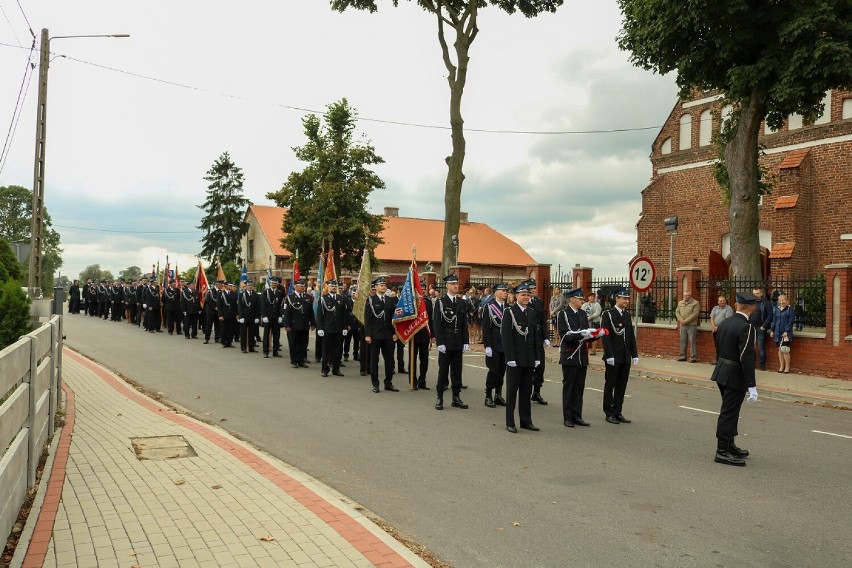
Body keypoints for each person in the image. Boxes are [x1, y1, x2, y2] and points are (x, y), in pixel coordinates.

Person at [711, 292, 759, 467]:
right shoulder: (746, 327)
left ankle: (730, 445)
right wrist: (752, 385)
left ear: (737, 305)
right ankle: (722, 450)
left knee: (731, 410)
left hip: (722, 370)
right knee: (729, 412)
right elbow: (747, 357)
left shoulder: (725, 322)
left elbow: (717, 344)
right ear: (753, 308)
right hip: (734, 375)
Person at [500, 281, 541, 433]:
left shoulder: (531, 312)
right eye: (523, 294)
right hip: (515, 359)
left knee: (526, 391)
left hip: (529, 357)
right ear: (516, 296)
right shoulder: (509, 312)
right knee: (512, 391)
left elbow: (534, 337)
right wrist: (510, 357)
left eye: (528, 295)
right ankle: (510, 421)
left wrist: (537, 357)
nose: (526, 297)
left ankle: (526, 421)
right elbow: (506, 336)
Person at [600, 288, 638, 424]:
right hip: (613, 356)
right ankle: (609, 412)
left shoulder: (627, 315)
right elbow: (606, 336)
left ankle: (618, 411)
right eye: (624, 298)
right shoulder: (608, 314)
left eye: (628, 298)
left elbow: (630, 336)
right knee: (610, 384)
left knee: (621, 385)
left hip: (625, 356)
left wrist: (634, 354)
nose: (627, 301)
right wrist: (609, 355)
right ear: (617, 299)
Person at [558, 288, 594, 428]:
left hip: (581, 356)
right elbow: (565, 335)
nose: (582, 301)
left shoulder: (582, 314)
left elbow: (586, 334)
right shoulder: (564, 314)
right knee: (569, 387)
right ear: (572, 299)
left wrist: (594, 335)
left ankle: (577, 415)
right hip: (570, 354)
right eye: (580, 299)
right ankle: (567, 417)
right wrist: (582, 334)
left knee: (579, 387)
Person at [433, 273, 469, 410]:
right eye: (453, 284)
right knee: (443, 371)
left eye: (456, 284)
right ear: (447, 285)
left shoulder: (461, 302)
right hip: (446, 341)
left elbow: (464, 323)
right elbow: (437, 324)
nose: (455, 286)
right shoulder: (441, 302)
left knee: (457, 371)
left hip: (458, 341)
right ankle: (440, 397)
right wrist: (440, 342)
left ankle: (456, 397)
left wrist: (466, 341)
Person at [364, 276, 399, 393]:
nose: (384, 287)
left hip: (388, 335)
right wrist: (368, 334)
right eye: (381, 285)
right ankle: (375, 384)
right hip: (375, 335)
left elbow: (393, 319)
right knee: (374, 360)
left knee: (389, 360)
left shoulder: (390, 300)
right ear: (376, 287)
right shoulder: (371, 300)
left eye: (385, 285)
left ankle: (388, 383)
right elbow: (367, 319)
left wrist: (394, 333)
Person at [481, 283, 509, 408]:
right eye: (502, 291)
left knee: (502, 371)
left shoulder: (508, 308)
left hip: (505, 344)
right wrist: (487, 346)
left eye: (506, 291)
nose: (505, 293)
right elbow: (486, 328)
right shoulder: (490, 307)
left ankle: (498, 394)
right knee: (494, 370)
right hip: (493, 343)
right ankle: (488, 395)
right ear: (496, 292)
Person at [317, 279, 349, 377]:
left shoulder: (341, 298)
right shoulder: (323, 299)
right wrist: (320, 328)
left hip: (338, 329)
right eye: (332, 286)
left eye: (335, 286)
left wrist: (344, 327)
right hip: (327, 328)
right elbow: (320, 315)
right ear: (328, 287)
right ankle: (324, 369)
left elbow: (345, 314)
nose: (334, 288)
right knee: (326, 350)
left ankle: (336, 369)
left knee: (338, 350)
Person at [527, 280, 551, 405]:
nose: (532, 291)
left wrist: (546, 337)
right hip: (528, 338)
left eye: (534, 288)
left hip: (538, 338)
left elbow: (542, 320)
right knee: (529, 366)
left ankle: (536, 392)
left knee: (540, 366)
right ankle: (526, 392)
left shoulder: (538, 301)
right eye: (530, 289)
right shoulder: (523, 303)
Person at [282, 279, 315, 368]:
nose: (303, 288)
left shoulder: (308, 297)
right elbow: (286, 313)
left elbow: (310, 312)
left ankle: (301, 360)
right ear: (296, 287)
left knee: (303, 344)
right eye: (301, 286)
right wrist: (287, 325)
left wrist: (313, 323)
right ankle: (294, 361)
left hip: (304, 325)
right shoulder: (289, 298)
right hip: (294, 325)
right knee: (293, 344)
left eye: (304, 286)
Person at [750, 288, 774, 371]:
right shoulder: (750, 302)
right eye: (754, 293)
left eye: (757, 293)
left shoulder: (766, 303)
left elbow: (770, 316)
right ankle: (751, 364)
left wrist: (764, 326)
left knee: (761, 348)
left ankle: (762, 366)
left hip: (761, 327)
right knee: (751, 347)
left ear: (761, 294)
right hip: (751, 327)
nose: (755, 295)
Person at [260, 276, 285, 358]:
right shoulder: (265, 292)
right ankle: (265, 351)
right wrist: (264, 316)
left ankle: (275, 351)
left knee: (276, 334)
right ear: (270, 283)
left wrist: (281, 315)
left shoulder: (279, 293)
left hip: (276, 317)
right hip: (268, 316)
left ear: (277, 284)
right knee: (266, 334)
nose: (273, 284)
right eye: (272, 283)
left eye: (275, 283)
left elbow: (281, 306)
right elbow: (263, 305)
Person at [771, 293, 794, 373]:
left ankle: (787, 367)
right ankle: (781, 366)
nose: (781, 302)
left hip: (785, 334)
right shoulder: (777, 310)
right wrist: (772, 330)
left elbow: (791, 321)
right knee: (780, 350)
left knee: (785, 350)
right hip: (777, 333)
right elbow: (774, 321)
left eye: (783, 300)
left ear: (787, 301)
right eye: (780, 301)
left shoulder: (789, 309)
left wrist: (786, 331)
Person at [675, 290, 700, 362]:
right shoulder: (680, 303)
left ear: (691, 295)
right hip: (682, 325)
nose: (687, 297)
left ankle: (693, 357)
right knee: (683, 340)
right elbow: (677, 312)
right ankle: (683, 356)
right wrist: (681, 320)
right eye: (685, 295)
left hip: (691, 325)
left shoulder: (695, 303)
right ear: (684, 296)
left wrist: (686, 321)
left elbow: (695, 314)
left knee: (692, 341)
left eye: (688, 295)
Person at [217, 281, 239, 348]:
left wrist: (237, 314)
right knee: (224, 329)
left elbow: (236, 305)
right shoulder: (221, 294)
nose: (231, 287)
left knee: (231, 329)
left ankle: (229, 342)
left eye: (232, 285)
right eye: (230, 285)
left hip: (232, 314)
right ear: (225, 286)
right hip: (224, 314)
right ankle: (224, 342)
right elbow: (219, 305)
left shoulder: (234, 294)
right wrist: (220, 315)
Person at [203, 279, 223, 344]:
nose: (222, 286)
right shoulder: (210, 291)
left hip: (218, 312)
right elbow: (208, 301)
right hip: (211, 311)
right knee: (209, 325)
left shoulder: (221, 292)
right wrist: (215, 307)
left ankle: (217, 338)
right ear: (217, 285)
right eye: (221, 285)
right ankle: (207, 338)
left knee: (218, 325)